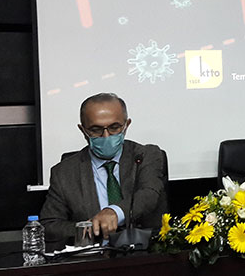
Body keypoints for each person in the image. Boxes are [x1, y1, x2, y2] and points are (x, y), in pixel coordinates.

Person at [40, 93, 167, 245]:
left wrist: (114, 212)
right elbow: (49, 226)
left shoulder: (146, 156)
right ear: (83, 130)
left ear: (126, 125)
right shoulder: (64, 172)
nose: (106, 136)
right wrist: (90, 228)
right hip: (94, 254)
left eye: (114, 127)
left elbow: (149, 195)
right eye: (96, 129)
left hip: (144, 252)